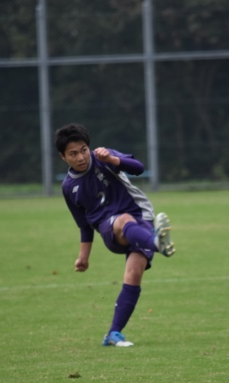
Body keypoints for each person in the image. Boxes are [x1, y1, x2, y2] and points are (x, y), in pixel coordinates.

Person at [55, 123, 175, 347]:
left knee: (134, 273)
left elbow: (138, 167)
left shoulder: (103, 157)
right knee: (123, 220)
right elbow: (83, 225)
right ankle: (157, 243)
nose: (81, 157)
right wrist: (83, 256)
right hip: (110, 228)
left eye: (83, 150)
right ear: (63, 157)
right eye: (73, 154)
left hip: (143, 219)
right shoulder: (69, 187)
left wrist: (112, 160)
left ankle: (113, 334)